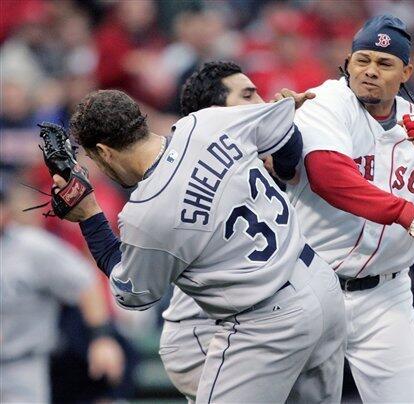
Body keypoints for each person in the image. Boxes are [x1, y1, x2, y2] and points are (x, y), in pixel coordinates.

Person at [50, 87, 346, 403]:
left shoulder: (146, 213)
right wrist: (285, 171)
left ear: (104, 152)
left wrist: (90, 216)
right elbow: (285, 126)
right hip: (320, 282)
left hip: (268, 322)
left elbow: (133, 293)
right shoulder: (205, 122)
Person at [286, 14, 414, 402]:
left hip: (385, 294)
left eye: (384, 63)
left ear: (406, 71)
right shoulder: (325, 102)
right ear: (348, 63)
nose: (370, 71)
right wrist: (408, 212)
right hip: (308, 285)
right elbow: (330, 177)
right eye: (362, 60)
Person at [160, 60, 316, 402]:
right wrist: (282, 121)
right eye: (247, 95)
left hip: (250, 324)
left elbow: (287, 164)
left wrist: (283, 121)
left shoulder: (239, 154)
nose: (260, 103)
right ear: (215, 112)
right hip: (202, 331)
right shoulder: (197, 171)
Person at [0, 184, 125, 403]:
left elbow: (85, 282)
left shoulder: (32, 247)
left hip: (21, 366)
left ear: (5, 210)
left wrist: (101, 337)